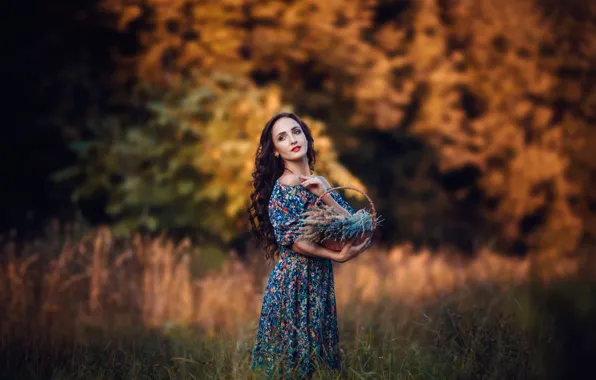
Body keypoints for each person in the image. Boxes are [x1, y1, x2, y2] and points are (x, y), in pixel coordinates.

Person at [247, 112, 372, 378]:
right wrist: (335, 256)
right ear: (277, 152)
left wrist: (326, 193)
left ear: (305, 135)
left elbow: (355, 226)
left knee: (311, 367)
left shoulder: (317, 182)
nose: (292, 139)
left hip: (318, 280)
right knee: (292, 368)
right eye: (282, 137)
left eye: (296, 131)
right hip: (294, 283)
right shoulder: (285, 187)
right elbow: (294, 241)